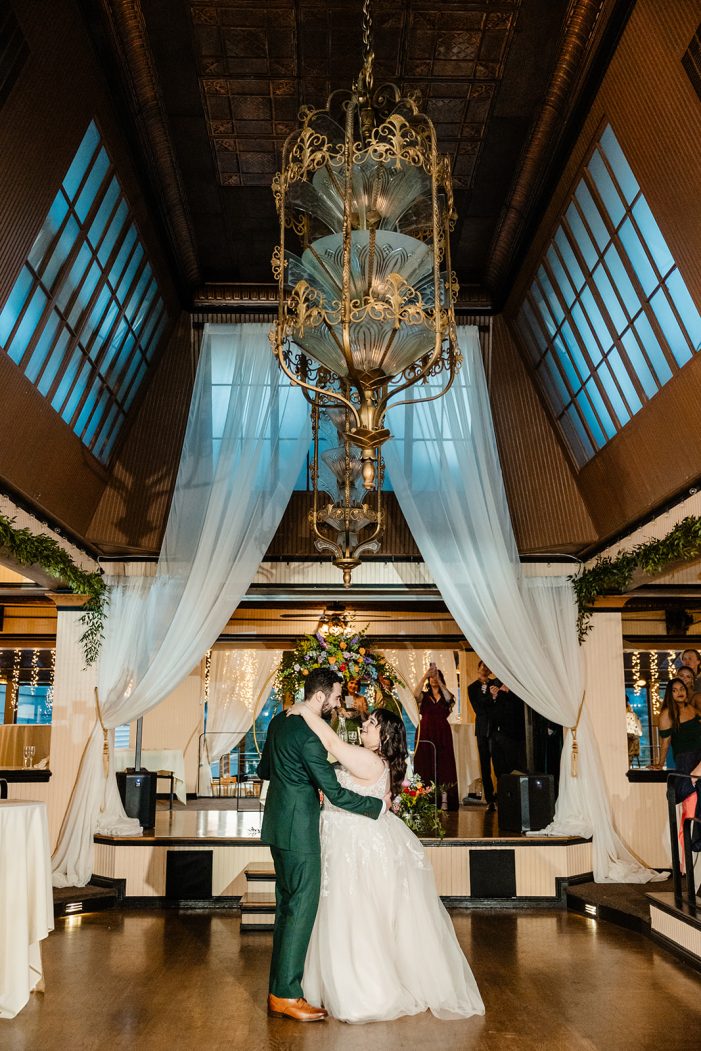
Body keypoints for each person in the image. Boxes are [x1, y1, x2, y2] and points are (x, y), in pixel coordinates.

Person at [286, 701, 485, 1023]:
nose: (365, 725)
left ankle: (366, 992)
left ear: (384, 737)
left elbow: (333, 744)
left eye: (373, 724)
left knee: (353, 914)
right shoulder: (373, 760)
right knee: (352, 914)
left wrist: (307, 712)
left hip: (354, 845)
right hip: (349, 840)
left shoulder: (368, 759)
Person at [257, 668, 387, 1023]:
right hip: (299, 833)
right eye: (335, 696)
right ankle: (286, 994)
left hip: (276, 826)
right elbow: (335, 792)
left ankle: (277, 990)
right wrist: (377, 807)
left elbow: (265, 769)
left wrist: (296, 779)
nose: (337, 702)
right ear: (320, 696)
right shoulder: (311, 738)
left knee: (286, 908)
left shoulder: (279, 723)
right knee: (300, 911)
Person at [413, 663, 460, 810]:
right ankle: (425, 798)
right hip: (426, 730)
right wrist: (425, 676)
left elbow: (449, 699)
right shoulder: (425, 696)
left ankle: (444, 799)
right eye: (431, 677)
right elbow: (414, 695)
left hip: (442, 732)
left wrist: (439, 681)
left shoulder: (446, 694)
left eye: (436, 676)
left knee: (444, 765)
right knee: (425, 763)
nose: (433, 679)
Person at [467, 660, 496, 811]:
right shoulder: (472, 688)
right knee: (485, 765)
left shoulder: (496, 683)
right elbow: (478, 708)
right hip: (482, 729)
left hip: (496, 728)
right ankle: (490, 799)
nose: (485, 668)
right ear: (478, 669)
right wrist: (490, 697)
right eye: (482, 665)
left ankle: (503, 796)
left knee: (498, 763)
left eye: (487, 665)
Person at [488, 680, 526, 786]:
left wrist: (501, 694)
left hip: (513, 737)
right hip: (497, 735)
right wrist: (495, 697)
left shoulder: (516, 691)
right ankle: (503, 795)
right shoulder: (497, 687)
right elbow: (491, 713)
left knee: (514, 768)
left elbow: (515, 711)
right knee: (499, 769)